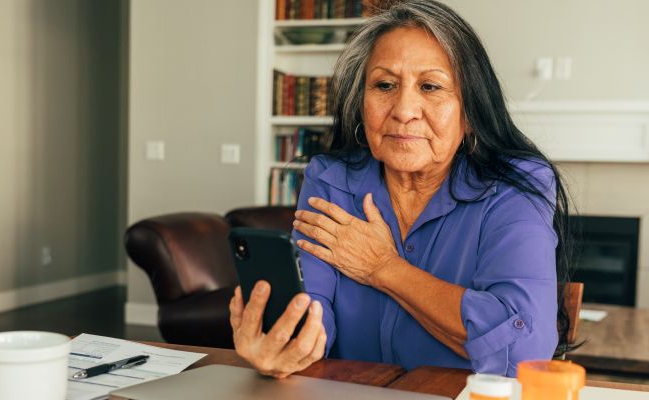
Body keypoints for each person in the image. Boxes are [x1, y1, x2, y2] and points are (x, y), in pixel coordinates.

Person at [229, 0, 575, 379]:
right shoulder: (331, 180)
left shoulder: (514, 188)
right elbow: (312, 313)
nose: (404, 109)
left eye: (430, 86)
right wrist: (282, 344)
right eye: (384, 85)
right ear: (361, 104)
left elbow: (523, 347)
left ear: (471, 111)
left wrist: (384, 268)